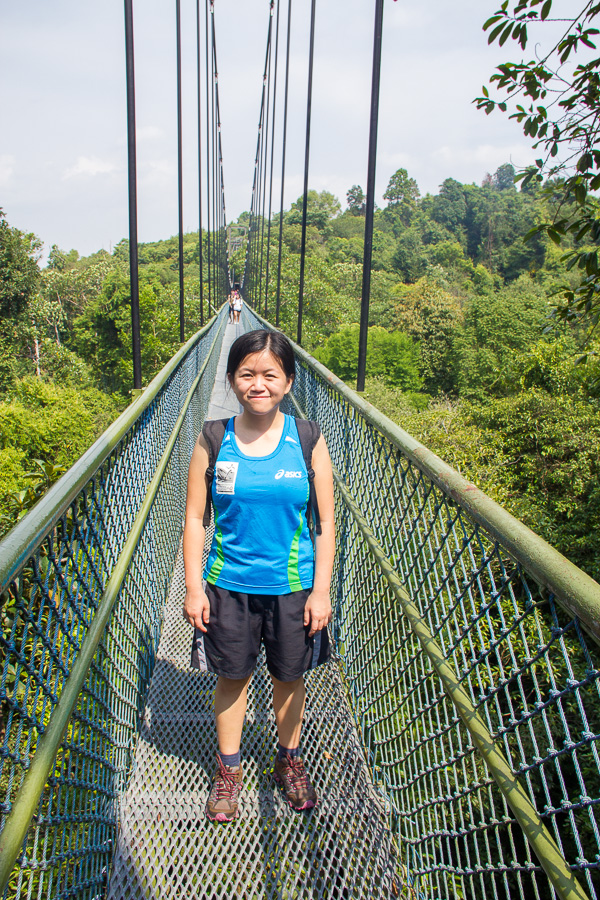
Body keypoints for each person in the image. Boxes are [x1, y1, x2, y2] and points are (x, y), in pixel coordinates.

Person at [183, 329, 335, 822]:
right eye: (247, 373)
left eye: (270, 374)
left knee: (289, 678)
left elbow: (326, 523)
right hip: (228, 585)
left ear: (288, 382)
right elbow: (193, 519)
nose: (258, 384)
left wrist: (321, 593)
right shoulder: (213, 438)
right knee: (232, 677)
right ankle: (229, 770)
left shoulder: (308, 439)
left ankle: (288, 761)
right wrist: (192, 588)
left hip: (293, 588)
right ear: (231, 379)